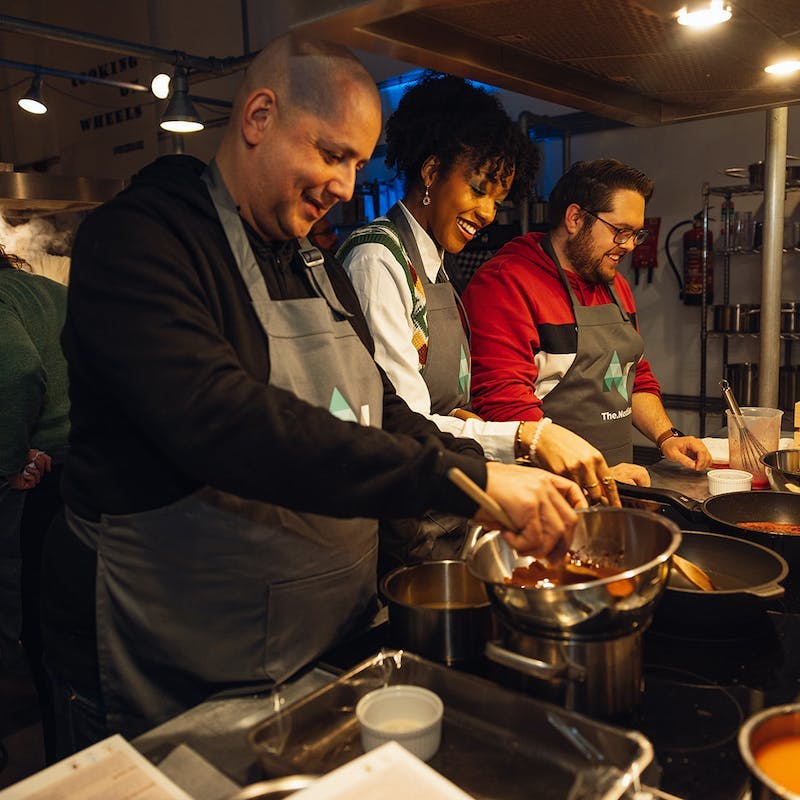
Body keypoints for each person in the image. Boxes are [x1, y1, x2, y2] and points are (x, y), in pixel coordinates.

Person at [41, 34, 584, 755]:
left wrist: (493, 476)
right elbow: (225, 422)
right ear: (259, 116)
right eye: (332, 154)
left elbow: (385, 410)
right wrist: (472, 478)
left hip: (315, 656)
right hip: (172, 669)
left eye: (359, 162)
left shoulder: (310, 260)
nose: (347, 185)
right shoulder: (140, 241)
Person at [338, 74, 621, 522]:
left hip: (444, 498)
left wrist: (474, 422)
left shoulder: (438, 268)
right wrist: (528, 437)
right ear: (431, 172)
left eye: (499, 200)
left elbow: (442, 404)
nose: (488, 213)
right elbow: (402, 424)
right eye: (478, 189)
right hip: (406, 508)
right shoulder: (378, 258)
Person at [462, 158, 712, 474]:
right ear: (575, 218)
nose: (631, 246)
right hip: (545, 492)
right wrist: (596, 476)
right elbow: (506, 408)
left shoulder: (614, 284)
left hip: (616, 481)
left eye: (637, 235)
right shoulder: (505, 283)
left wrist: (667, 437)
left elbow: (633, 376)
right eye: (621, 232)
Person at [0, 244, 68, 760]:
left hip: (42, 484)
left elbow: (18, 374)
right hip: (88, 472)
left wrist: (8, 459)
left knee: (32, 627)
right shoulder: (45, 291)